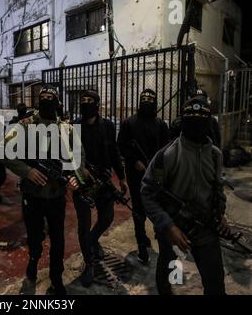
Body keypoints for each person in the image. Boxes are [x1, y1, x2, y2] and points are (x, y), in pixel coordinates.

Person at [141, 95, 229, 295]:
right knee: (171, 277)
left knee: (215, 284)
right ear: (183, 122)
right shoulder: (167, 155)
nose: (196, 126)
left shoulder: (215, 155)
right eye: (192, 120)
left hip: (206, 230)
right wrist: (168, 226)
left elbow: (218, 187)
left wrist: (220, 212)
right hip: (175, 232)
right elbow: (147, 193)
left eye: (201, 120)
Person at [2, 85, 82, 295]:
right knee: (35, 236)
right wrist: (27, 171)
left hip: (56, 195)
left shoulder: (66, 128)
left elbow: (77, 157)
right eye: (42, 97)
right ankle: (33, 262)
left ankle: (56, 277)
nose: (46, 100)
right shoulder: (25, 126)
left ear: (57, 101)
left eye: (50, 97)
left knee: (58, 239)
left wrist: (75, 178)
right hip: (33, 195)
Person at [72, 90, 127, 287]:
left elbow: (114, 152)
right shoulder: (75, 126)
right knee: (83, 225)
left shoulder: (108, 126)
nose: (85, 103)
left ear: (97, 104)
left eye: (89, 100)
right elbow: (69, 154)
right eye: (82, 101)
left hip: (103, 181)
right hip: (82, 181)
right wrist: (81, 169)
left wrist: (121, 177)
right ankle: (89, 263)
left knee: (107, 218)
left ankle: (93, 240)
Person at [117, 89, 170, 265]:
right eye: (144, 98)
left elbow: (166, 150)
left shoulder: (161, 125)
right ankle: (141, 242)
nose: (147, 101)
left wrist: (158, 169)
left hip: (156, 174)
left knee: (157, 207)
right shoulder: (129, 123)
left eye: (150, 99)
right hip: (136, 174)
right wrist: (134, 161)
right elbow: (121, 146)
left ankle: (160, 238)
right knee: (139, 210)